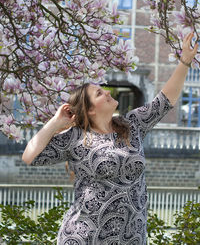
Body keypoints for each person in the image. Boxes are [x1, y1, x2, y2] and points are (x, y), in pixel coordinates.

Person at [22, 32, 198, 245]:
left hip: (131, 237)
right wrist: (56, 123)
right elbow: (29, 156)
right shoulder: (75, 138)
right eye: (98, 94)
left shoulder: (132, 125)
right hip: (83, 237)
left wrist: (185, 61)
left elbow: (165, 100)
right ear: (90, 110)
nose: (106, 93)